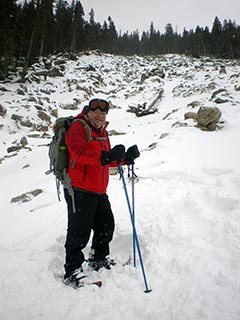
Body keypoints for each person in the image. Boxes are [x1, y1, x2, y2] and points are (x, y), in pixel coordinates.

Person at [63, 98, 138, 285]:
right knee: (79, 232)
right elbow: (79, 153)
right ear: (88, 111)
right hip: (79, 189)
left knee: (106, 226)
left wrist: (124, 159)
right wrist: (105, 156)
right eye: (96, 112)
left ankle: (98, 258)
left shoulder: (102, 132)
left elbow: (104, 161)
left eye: (103, 113)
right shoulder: (78, 127)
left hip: (98, 189)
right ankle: (72, 270)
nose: (99, 115)